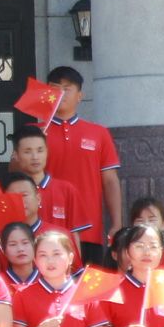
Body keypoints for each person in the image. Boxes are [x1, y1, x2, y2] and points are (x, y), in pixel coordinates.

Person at [43, 65, 124, 237]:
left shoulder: (99, 133)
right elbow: (18, 176)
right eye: (55, 89)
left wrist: (117, 223)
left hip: (89, 228)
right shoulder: (35, 132)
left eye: (67, 89)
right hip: (46, 228)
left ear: (80, 96)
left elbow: (110, 181)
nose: (60, 94)